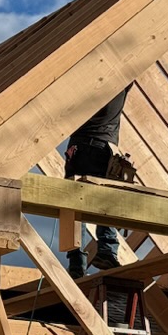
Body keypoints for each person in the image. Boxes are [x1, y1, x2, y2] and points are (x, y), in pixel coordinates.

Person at [64, 87, 133, 273]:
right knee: (106, 198)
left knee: (74, 204)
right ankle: (107, 250)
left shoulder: (85, 84)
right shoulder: (120, 81)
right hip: (102, 148)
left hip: (76, 149)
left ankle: (76, 263)